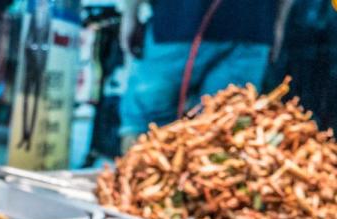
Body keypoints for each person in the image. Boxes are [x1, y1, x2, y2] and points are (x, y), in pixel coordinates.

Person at [119, 0, 292, 146]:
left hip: (175, 23)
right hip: (252, 29)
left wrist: (129, 15)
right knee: (223, 127)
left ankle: (137, 178)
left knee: (147, 127)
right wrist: (278, 23)